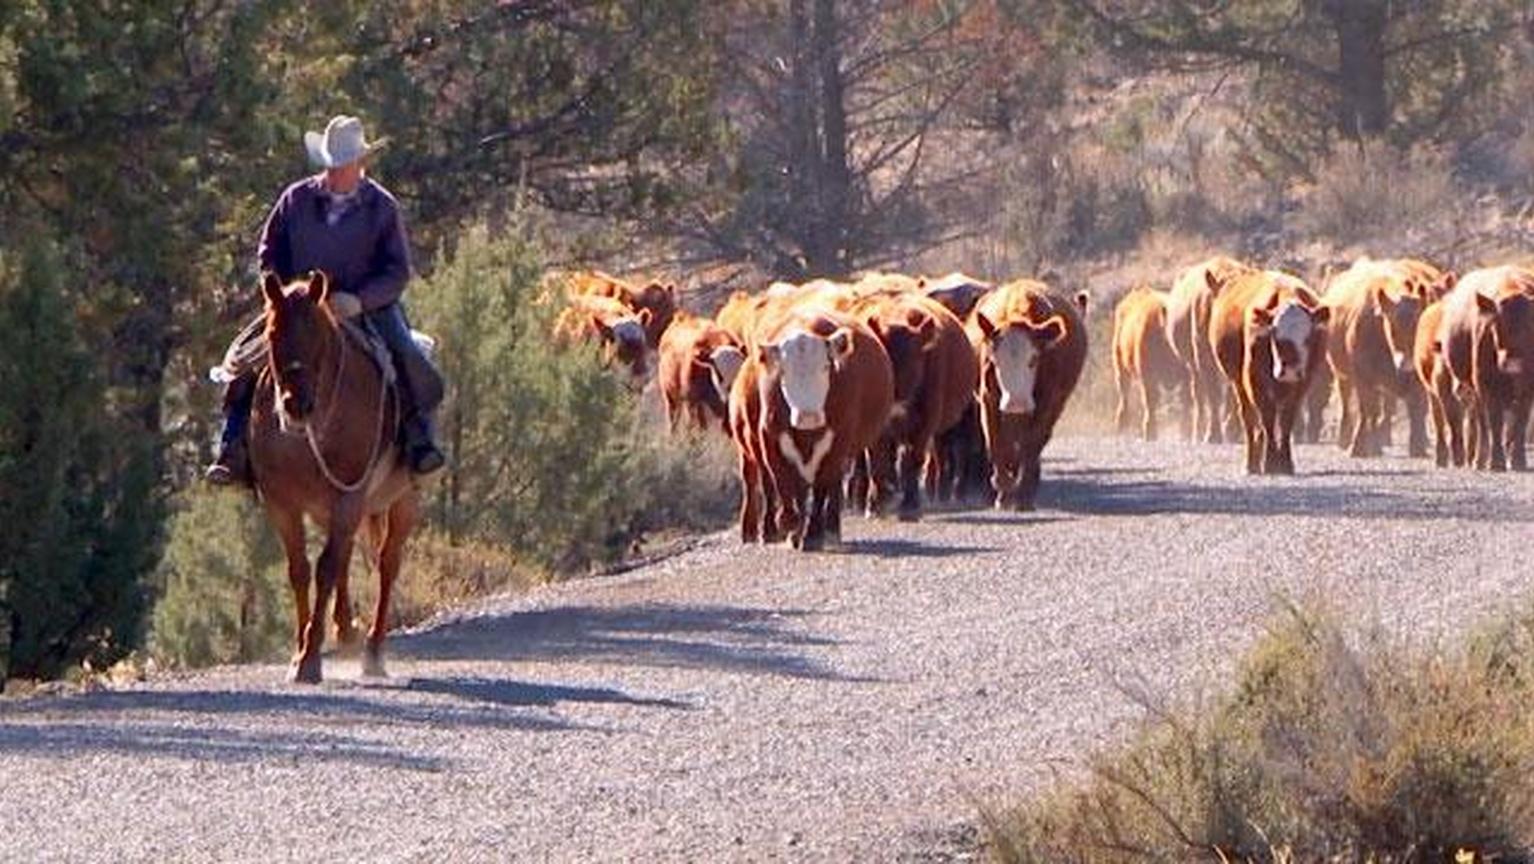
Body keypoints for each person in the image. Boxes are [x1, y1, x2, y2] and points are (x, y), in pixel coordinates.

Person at [205, 115, 446, 485]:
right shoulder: (296, 199)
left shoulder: (382, 207)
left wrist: (360, 300)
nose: (334, 174)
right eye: (330, 166)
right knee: (245, 358)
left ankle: (418, 440)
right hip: (297, 306)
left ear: (359, 164)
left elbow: (397, 271)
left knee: (405, 355)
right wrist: (281, 290)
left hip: (365, 306)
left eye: (342, 166)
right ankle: (232, 444)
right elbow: (269, 251)